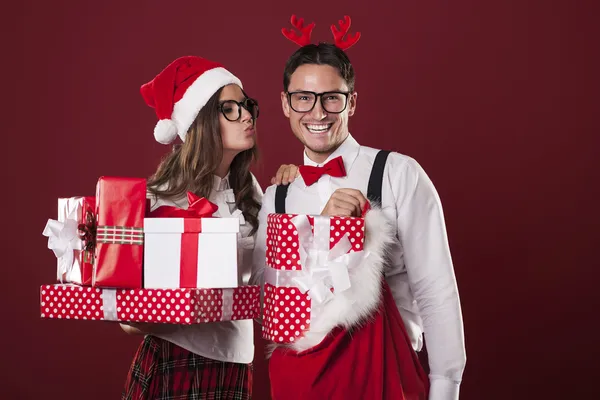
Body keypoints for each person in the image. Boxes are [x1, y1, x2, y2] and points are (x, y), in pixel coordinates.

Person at [251, 19, 466, 400]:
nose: (318, 113)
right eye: (304, 97)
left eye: (331, 97)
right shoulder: (277, 197)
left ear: (351, 100)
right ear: (285, 103)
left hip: (385, 378)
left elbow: (436, 291)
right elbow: (274, 304)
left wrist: (445, 387)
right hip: (299, 384)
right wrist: (322, 230)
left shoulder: (398, 174)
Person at [120, 55, 297, 400]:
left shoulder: (252, 191)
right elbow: (128, 318)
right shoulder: (159, 200)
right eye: (230, 108)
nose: (247, 116)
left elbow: (271, 281)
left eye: (247, 106)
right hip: (177, 360)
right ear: (200, 121)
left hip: (235, 365)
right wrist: (188, 307)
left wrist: (292, 196)